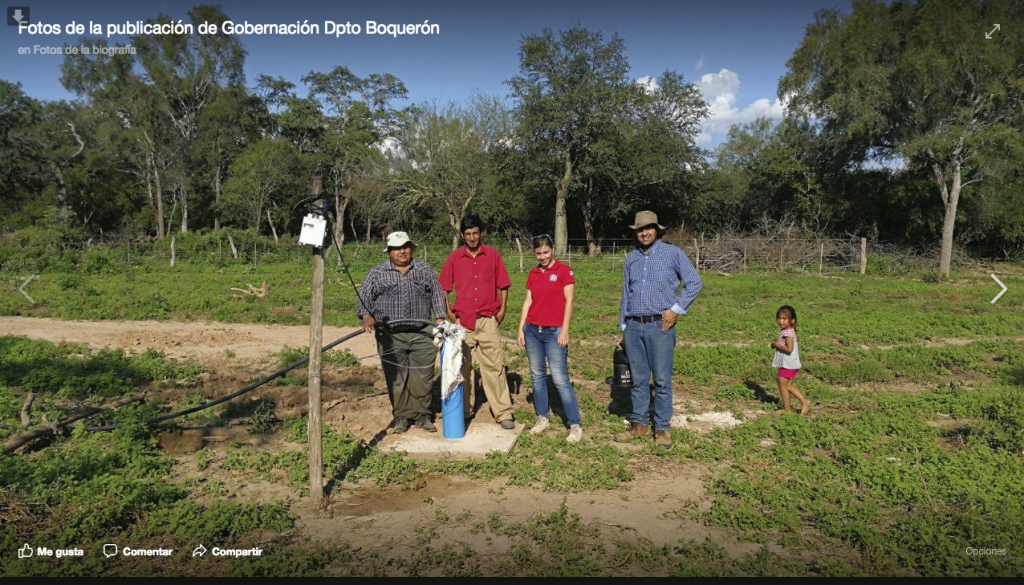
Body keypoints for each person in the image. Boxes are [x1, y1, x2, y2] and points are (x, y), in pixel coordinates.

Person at [614, 211, 703, 449]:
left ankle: (662, 428)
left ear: (657, 230)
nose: (644, 233)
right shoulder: (631, 258)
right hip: (633, 326)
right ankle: (640, 424)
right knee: (638, 380)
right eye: (640, 229)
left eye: (649, 228)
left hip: (659, 326)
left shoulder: (673, 254)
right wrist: (623, 326)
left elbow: (695, 282)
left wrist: (676, 309)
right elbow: (626, 293)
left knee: (662, 380)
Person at [357, 232, 448, 434]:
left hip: (422, 332)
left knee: (423, 376)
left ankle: (422, 415)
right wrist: (366, 316)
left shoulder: (424, 269)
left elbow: (436, 293)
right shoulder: (377, 273)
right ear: (389, 251)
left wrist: (440, 318)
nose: (402, 251)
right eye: (397, 248)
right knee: (397, 378)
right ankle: (402, 416)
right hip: (390, 335)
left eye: (406, 247)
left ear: (411, 248)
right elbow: (364, 298)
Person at [439, 215, 516, 430]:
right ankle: (464, 411)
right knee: (463, 368)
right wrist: (450, 313)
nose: (472, 237)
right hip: (463, 322)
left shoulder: (492, 255)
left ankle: (503, 412)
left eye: (475, 233)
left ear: (481, 233)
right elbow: (444, 287)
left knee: (495, 366)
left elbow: (504, 285)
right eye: (468, 234)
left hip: (487, 319)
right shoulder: (454, 258)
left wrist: (502, 309)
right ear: (463, 235)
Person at [517, 234, 582, 444]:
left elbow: (569, 301)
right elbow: (528, 301)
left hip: (554, 332)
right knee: (537, 375)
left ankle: (574, 424)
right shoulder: (533, 273)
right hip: (533, 331)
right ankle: (542, 417)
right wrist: (520, 329)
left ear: (552, 250)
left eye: (545, 252)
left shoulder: (563, 271)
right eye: (538, 253)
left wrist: (564, 330)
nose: (542, 256)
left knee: (560, 378)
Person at [771, 305, 809, 416]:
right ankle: (802, 403)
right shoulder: (788, 330)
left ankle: (790, 408)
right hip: (791, 363)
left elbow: (789, 349)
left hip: (789, 363)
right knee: (787, 385)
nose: (781, 321)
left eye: (784, 318)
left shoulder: (787, 333)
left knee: (782, 384)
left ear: (792, 320)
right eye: (779, 318)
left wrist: (776, 344)